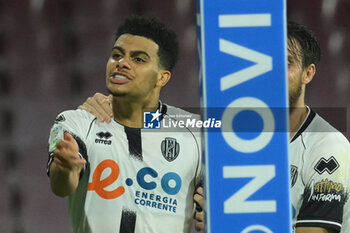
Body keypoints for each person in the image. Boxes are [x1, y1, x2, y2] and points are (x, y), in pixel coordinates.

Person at [81, 20, 350, 233]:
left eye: (286, 63)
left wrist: (227, 222)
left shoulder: (327, 146)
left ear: (308, 73)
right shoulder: (231, 131)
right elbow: (163, 123)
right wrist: (109, 107)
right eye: (263, 63)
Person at [47, 15, 202, 233]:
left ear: (162, 77)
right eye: (116, 55)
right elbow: (62, 186)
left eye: (138, 59)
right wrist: (66, 168)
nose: (122, 63)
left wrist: (215, 214)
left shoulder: (196, 130)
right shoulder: (77, 121)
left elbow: (226, 191)